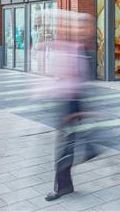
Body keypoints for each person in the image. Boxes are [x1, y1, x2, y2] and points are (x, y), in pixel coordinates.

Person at [43, 10, 98, 202]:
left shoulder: (84, 49)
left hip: (71, 106)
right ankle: (66, 185)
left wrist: (76, 110)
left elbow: (81, 81)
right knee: (67, 148)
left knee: (64, 149)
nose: (83, 29)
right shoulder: (78, 47)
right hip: (67, 104)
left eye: (85, 26)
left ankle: (62, 188)